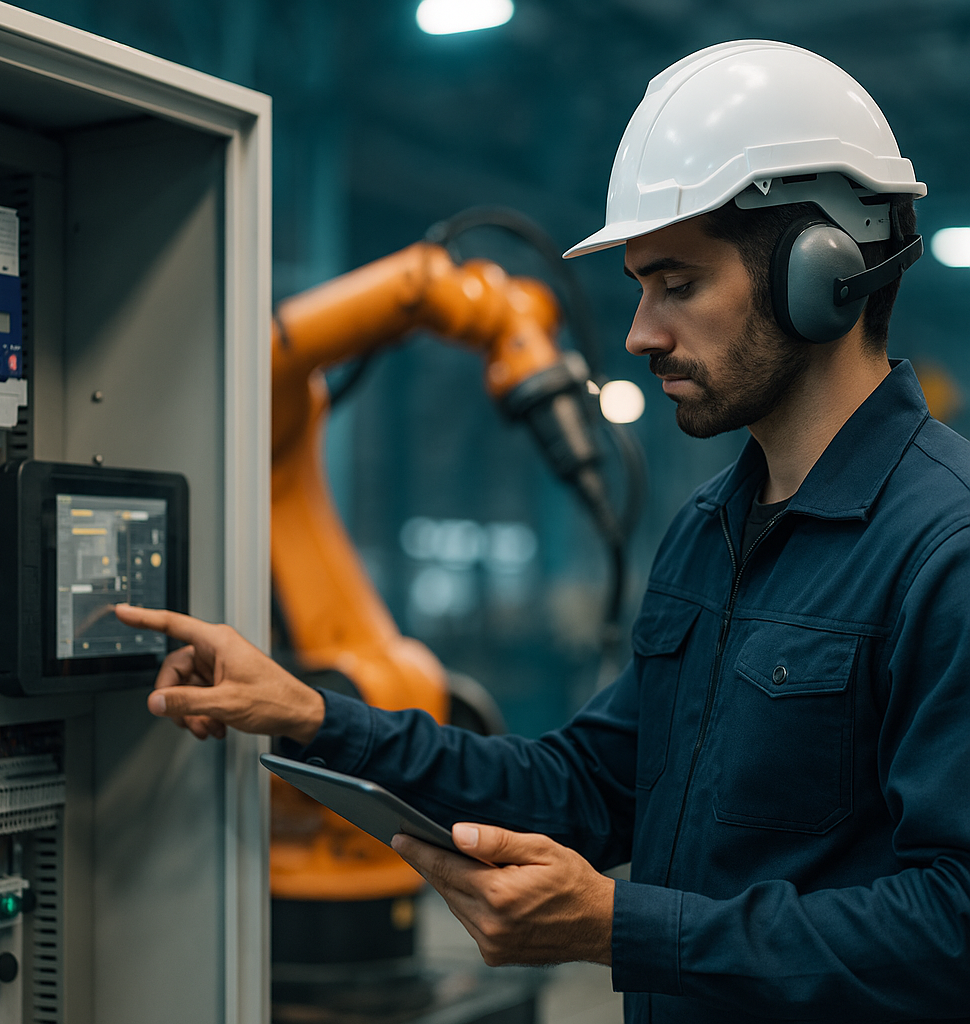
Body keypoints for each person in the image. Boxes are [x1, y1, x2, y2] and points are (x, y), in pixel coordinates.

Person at [116, 40, 970, 1023]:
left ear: (822, 272)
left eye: (676, 284)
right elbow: (578, 788)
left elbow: (950, 925)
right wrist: (308, 712)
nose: (639, 333)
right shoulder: (710, 535)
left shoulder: (940, 551)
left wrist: (619, 924)